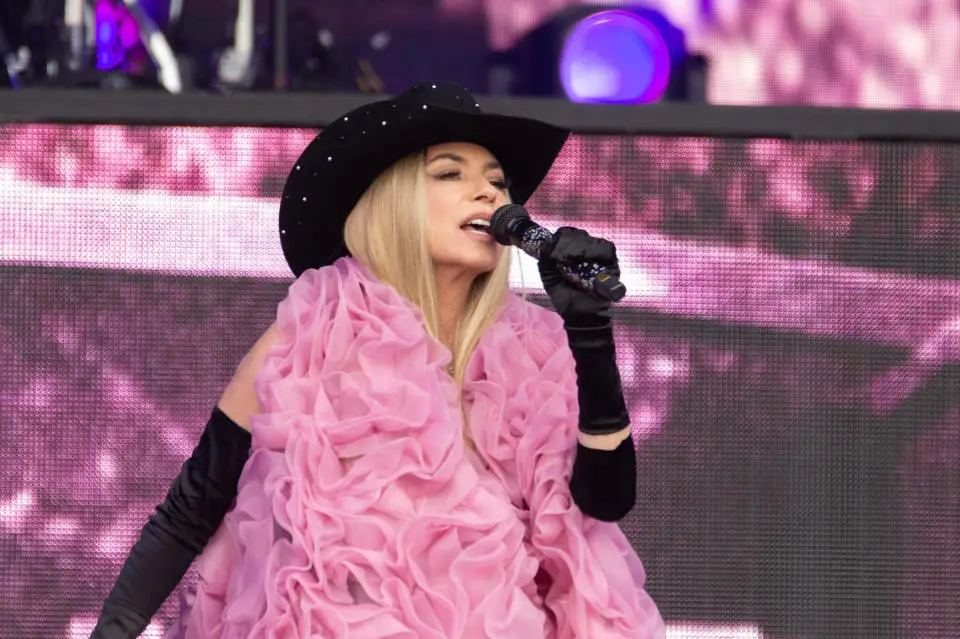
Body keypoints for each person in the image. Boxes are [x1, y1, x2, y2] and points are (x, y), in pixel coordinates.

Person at [91, 81, 665, 638]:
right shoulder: (309, 336)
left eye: (498, 181)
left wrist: (589, 333)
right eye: (450, 173)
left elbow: (603, 502)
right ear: (392, 202)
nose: (491, 194)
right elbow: (190, 511)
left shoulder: (535, 351)